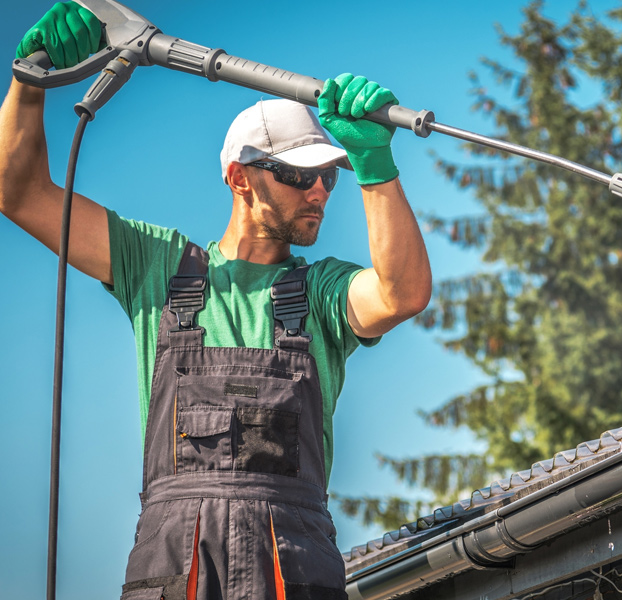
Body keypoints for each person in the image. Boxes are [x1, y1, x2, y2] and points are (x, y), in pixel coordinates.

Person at [1, 3, 431, 599]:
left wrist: (374, 165)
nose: (319, 192)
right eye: (298, 176)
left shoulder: (322, 293)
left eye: (329, 177)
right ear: (240, 177)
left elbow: (401, 293)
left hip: (293, 565)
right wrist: (29, 80)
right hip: (176, 562)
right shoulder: (155, 266)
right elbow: (19, 193)